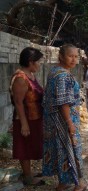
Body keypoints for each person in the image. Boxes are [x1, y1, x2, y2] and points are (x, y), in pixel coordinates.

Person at [42, 44, 87, 191]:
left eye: (76, 56)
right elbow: (63, 103)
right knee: (72, 149)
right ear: (61, 56)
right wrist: (70, 123)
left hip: (54, 121)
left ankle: (63, 183)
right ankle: (78, 184)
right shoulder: (63, 76)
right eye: (70, 56)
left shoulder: (54, 71)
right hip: (64, 120)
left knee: (60, 149)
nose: (74, 59)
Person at [9, 47, 44, 185]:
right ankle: (28, 177)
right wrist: (24, 124)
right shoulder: (20, 78)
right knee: (24, 146)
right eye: (38, 61)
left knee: (30, 146)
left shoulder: (30, 75)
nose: (40, 64)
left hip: (34, 117)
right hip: (25, 119)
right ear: (31, 62)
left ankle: (28, 172)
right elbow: (18, 102)